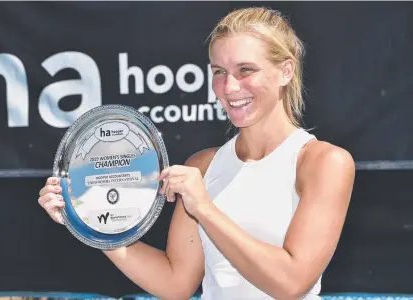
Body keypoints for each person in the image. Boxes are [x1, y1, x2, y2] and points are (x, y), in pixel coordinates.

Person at [38, 7, 355, 300]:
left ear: (285, 71)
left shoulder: (324, 163)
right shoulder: (202, 166)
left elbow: (290, 283)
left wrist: (205, 209)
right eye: (219, 71)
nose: (229, 87)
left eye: (246, 70)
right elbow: (176, 283)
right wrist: (90, 222)